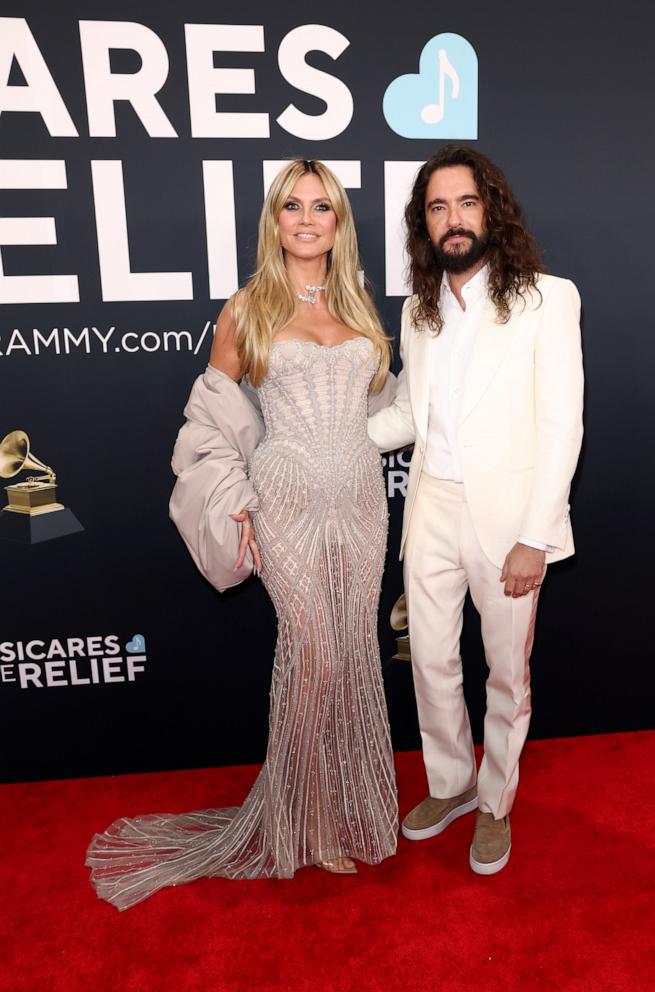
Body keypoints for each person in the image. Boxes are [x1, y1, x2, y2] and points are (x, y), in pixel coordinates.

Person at [86, 160, 398, 909]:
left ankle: (345, 814)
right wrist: (233, 498)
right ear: (274, 220)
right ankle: (301, 822)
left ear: (338, 223)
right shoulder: (247, 309)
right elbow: (209, 420)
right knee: (313, 655)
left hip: (359, 503)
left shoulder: (360, 307)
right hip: (284, 504)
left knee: (353, 652)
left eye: (321, 206)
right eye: (292, 205)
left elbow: (381, 407)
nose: (305, 218)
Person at [368, 145, 584, 875]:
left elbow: (562, 426)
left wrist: (535, 536)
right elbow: (406, 414)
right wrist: (327, 447)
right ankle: (451, 783)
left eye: (465, 203)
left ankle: (494, 804)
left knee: (503, 674)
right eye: (437, 207)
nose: (453, 219)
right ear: (423, 224)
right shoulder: (418, 310)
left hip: (508, 521)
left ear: (490, 210)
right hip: (430, 506)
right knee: (428, 661)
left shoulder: (547, 299)